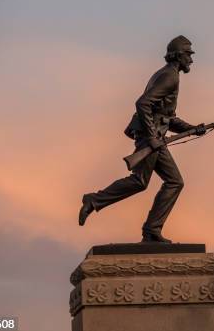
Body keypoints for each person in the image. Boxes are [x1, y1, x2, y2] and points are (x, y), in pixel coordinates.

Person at [78, 35, 206, 243]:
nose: (191, 60)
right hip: (151, 137)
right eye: (189, 55)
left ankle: (147, 229)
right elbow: (143, 104)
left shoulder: (167, 74)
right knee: (163, 182)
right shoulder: (169, 76)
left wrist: (192, 128)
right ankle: (146, 228)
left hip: (152, 135)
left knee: (155, 181)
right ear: (178, 55)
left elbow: (166, 118)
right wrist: (153, 136)